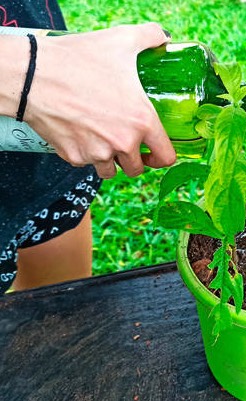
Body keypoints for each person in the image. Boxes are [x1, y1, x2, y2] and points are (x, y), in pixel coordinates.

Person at [0, 0, 176, 294]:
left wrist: (53, 72)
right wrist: (31, 74)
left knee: (62, 309)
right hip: (44, 83)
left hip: (51, 134)